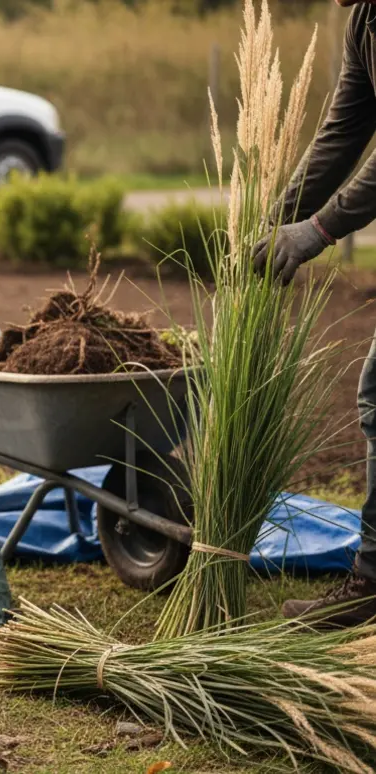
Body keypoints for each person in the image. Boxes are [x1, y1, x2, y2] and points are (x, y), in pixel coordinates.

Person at [259, 0, 376, 627]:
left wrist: (319, 229)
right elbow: (345, 130)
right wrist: (275, 220)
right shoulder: (363, 19)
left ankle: (372, 582)